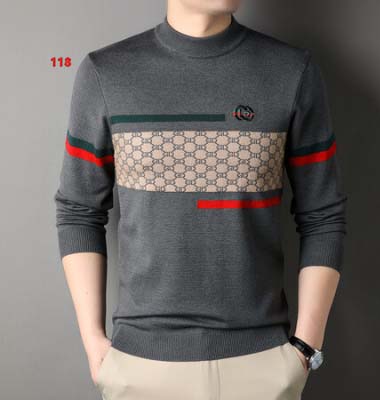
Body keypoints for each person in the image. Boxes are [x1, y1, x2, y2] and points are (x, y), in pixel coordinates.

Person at [53, 0, 348, 399]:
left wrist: (305, 348)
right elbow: (79, 211)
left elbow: (323, 215)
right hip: (141, 367)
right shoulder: (106, 73)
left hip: (262, 366)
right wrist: (94, 343)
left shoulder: (291, 71)